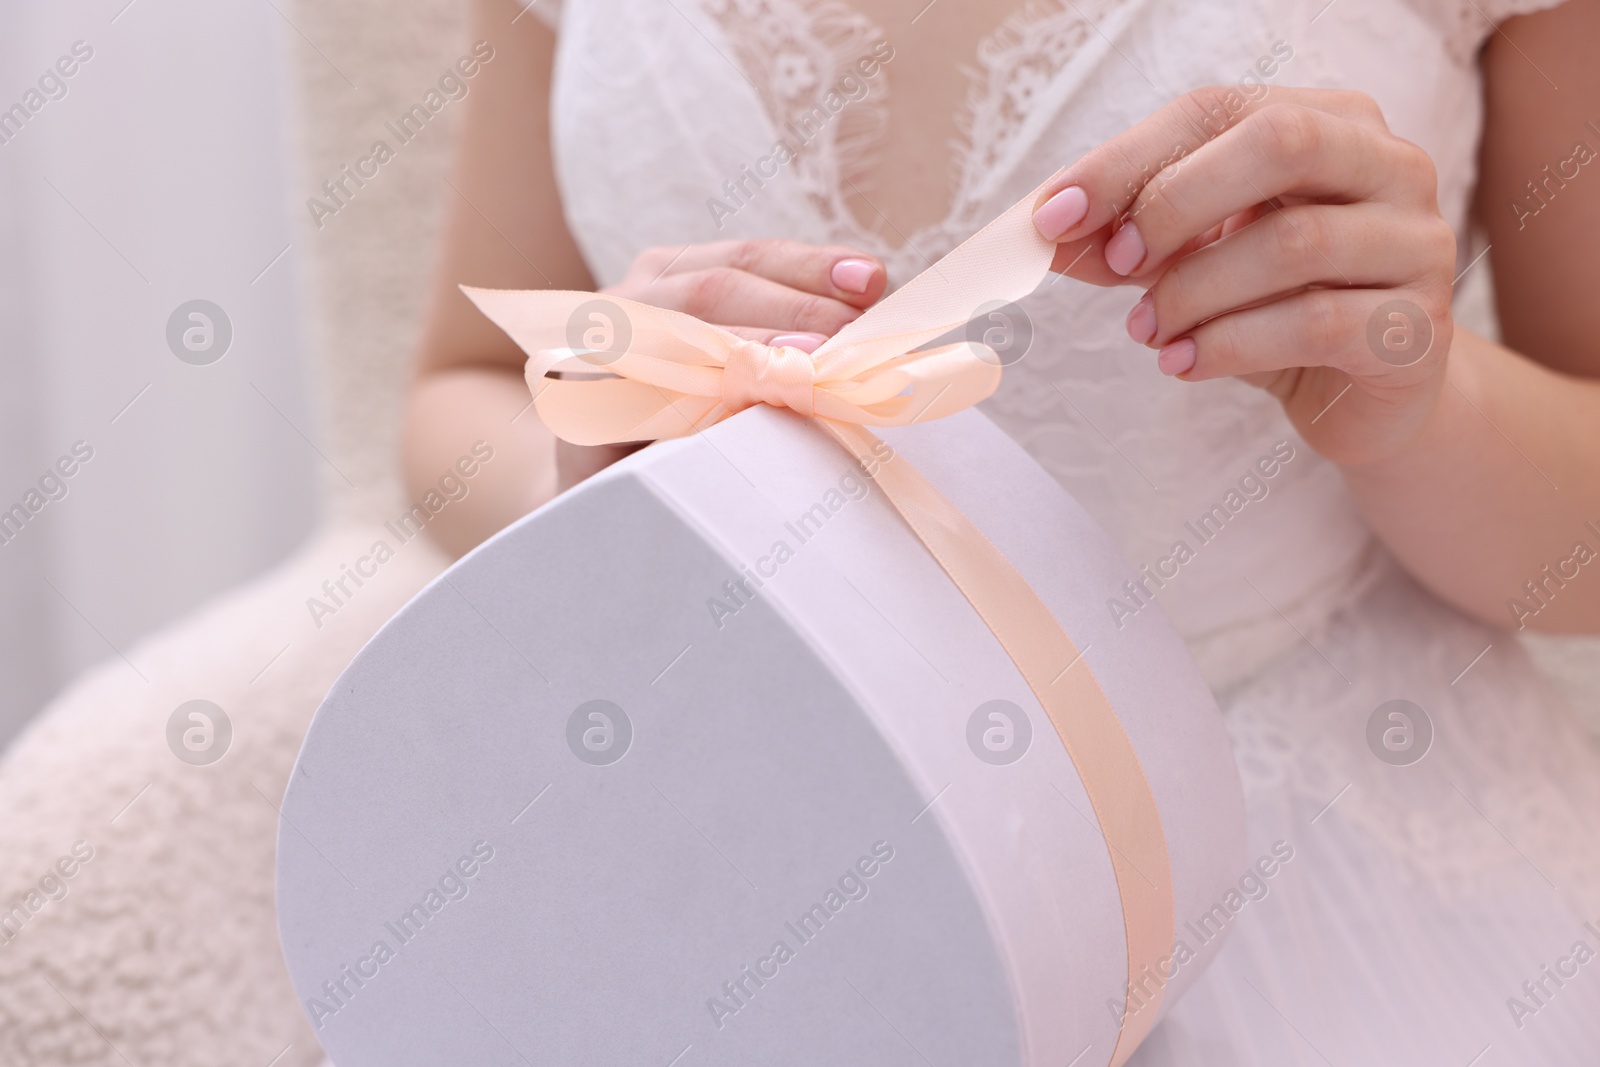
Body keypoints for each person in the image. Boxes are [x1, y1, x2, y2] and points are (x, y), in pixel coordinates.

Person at [405, 0, 1600, 1061]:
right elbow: (457, 387)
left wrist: (1421, 403)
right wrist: (595, 469)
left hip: (1320, 856)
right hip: (732, 805)